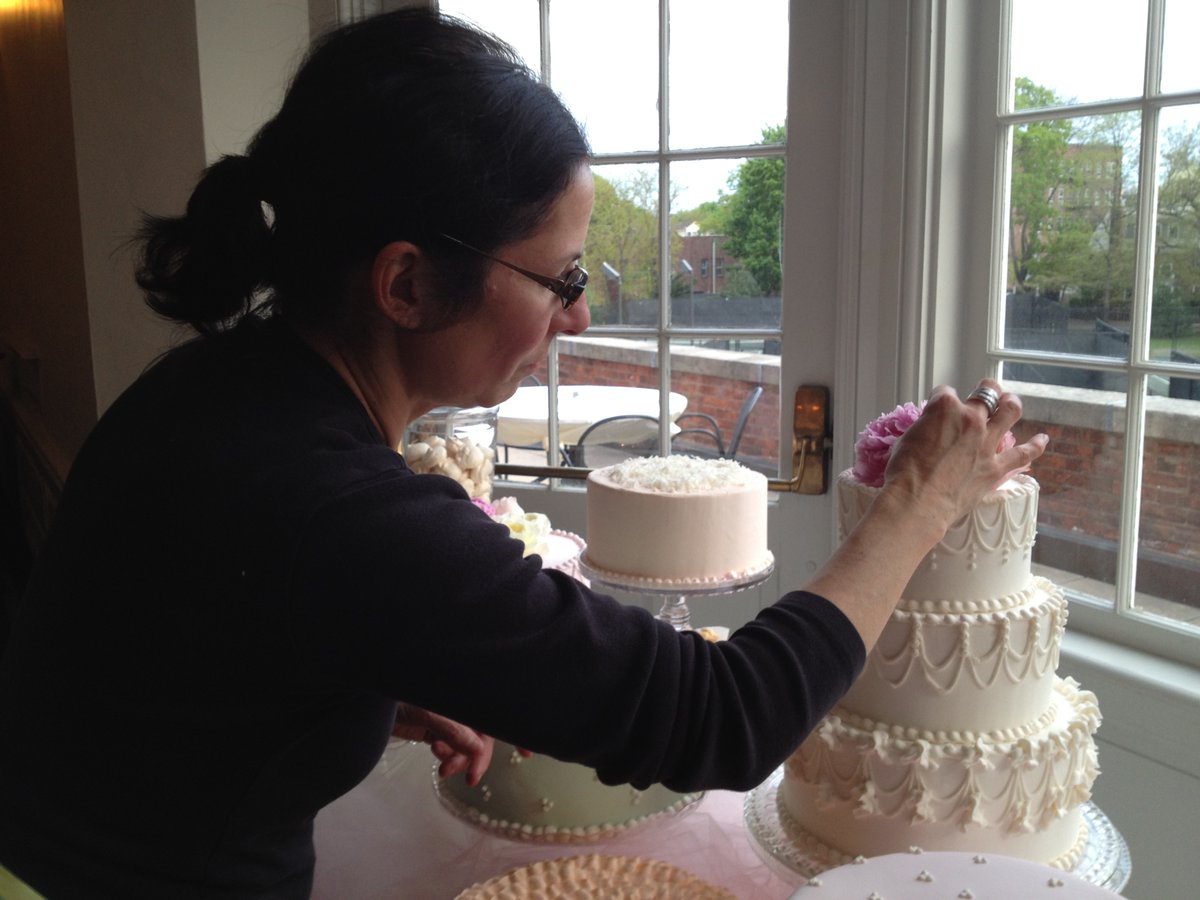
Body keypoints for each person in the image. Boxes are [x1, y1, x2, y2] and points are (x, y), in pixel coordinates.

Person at [0, 9, 1046, 900]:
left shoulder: (218, 389)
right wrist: (918, 504)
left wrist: (355, 684)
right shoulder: (344, 510)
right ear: (405, 285)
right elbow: (719, 720)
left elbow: (179, 658)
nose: (581, 314)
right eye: (559, 275)